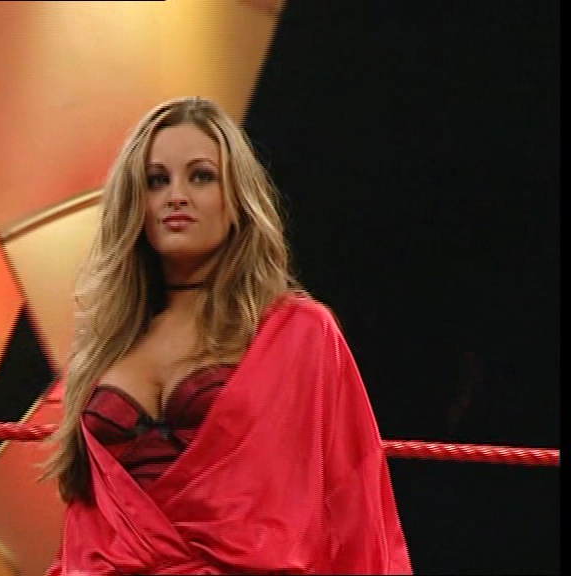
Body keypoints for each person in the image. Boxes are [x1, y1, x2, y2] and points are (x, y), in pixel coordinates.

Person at [42, 96, 412, 575]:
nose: (176, 196)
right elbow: (82, 520)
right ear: (136, 202)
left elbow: (355, 502)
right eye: (156, 181)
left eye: (201, 176)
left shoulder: (299, 333)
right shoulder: (105, 343)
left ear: (237, 198)